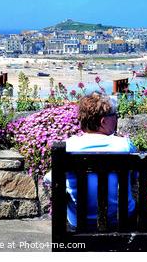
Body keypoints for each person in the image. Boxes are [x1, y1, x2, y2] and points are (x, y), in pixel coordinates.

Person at [51, 92, 137, 230]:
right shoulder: (125, 146)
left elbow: (50, 179)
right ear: (103, 121)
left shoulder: (69, 146)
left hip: (80, 222)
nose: (116, 119)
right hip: (121, 220)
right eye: (114, 115)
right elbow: (134, 176)